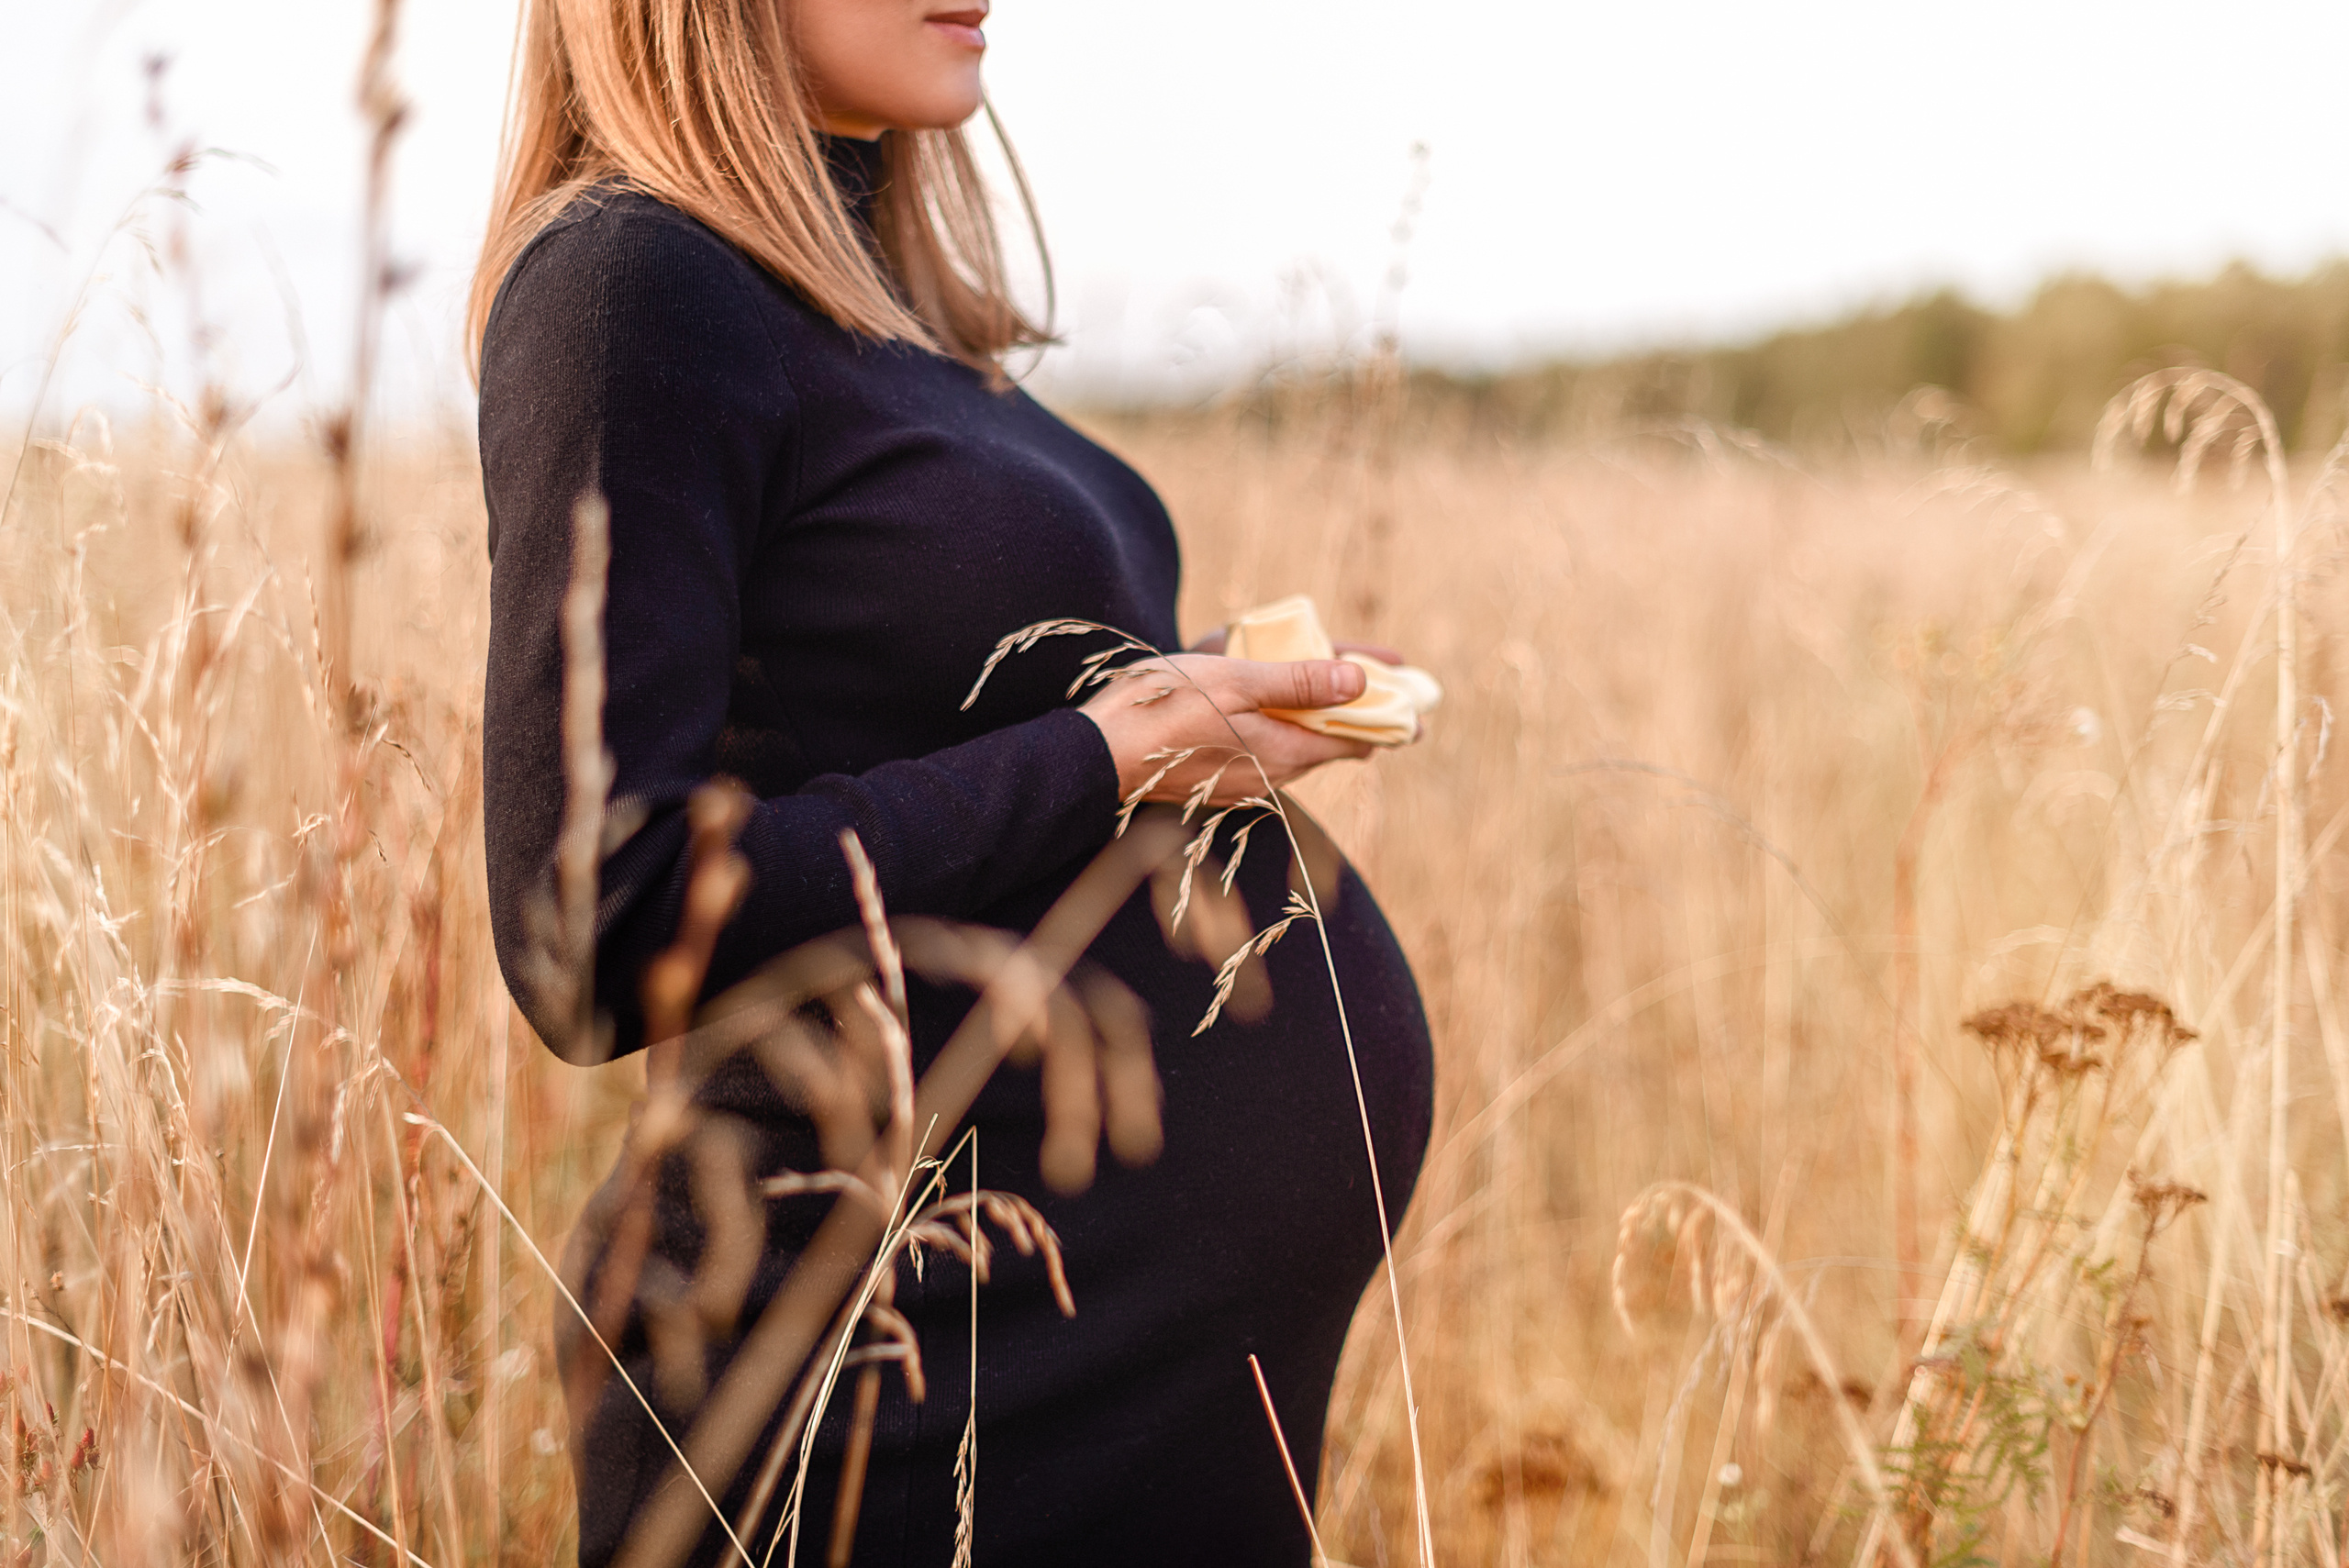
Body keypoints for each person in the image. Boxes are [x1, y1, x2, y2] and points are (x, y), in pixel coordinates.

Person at [470, 1, 1434, 1562]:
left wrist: (1187, 711)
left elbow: (899, 720)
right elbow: (592, 925)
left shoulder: (876, 312)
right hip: (898, 1411)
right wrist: (1108, 753)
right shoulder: (628, 283)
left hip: (1102, 1404)